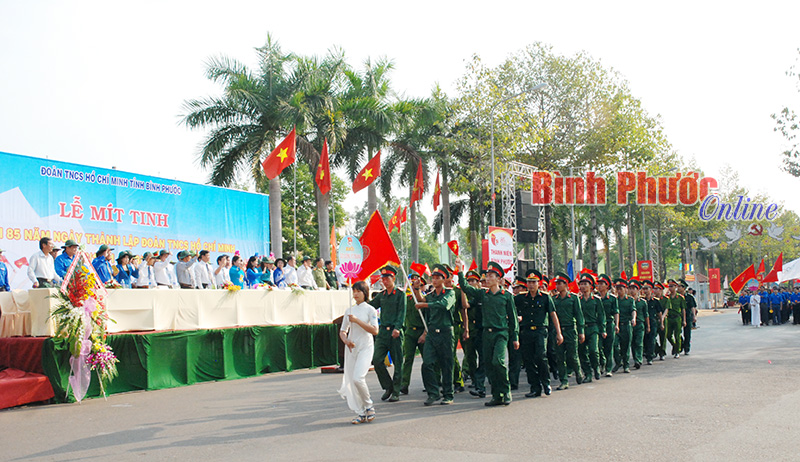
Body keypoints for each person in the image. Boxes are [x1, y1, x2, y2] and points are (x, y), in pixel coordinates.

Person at [457, 259, 519, 406]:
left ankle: (506, 391)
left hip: (501, 333)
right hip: (486, 334)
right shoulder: (482, 294)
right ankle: (497, 396)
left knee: (499, 362)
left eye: (492, 275)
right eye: (487, 275)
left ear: (499, 279)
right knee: (490, 366)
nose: (488, 278)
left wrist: (515, 337)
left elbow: (514, 318)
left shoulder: (507, 296)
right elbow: (465, 287)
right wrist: (460, 271)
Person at [338, 280, 379, 424]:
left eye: (358, 291)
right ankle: (360, 412)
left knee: (358, 378)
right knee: (351, 380)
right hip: (351, 348)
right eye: (354, 291)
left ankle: (369, 405)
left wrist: (357, 321)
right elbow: (343, 331)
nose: (355, 294)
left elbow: (374, 330)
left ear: (365, 293)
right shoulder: (349, 310)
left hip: (366, 347)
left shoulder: (370, 310)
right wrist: (346, 341)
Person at [517, 269, 563, 397]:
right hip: (526, 332)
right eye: (529, 282)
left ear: (538, 283)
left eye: (534, 282)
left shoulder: (545, 297)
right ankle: (534, 387)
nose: (531, 285)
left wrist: (559, 333)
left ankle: (546, 383)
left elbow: (553, 315)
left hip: (540, 331)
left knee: (541, 356)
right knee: (528, 360)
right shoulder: (521, 297)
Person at [416, 264, 456, 406]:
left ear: (444, 279)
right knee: (427, 363)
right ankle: (433, 393)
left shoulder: (450, 293)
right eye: (433, 278)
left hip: (445, 332)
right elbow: (420, 299)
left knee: (447, 364)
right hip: (432, 333)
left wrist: (425, 305)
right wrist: (415, 288)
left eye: (438, 278)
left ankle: (448, 394)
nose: (434, 280)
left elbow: (444, 305)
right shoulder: (430, 295)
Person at [368, 266, 407, 403]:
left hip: (395, 332)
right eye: (383, 279)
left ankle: (396, 391)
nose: (384, 281)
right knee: (377, 360)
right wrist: (359, 301)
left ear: (393, 278)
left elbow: (402, 313)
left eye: (387, 278)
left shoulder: (400, 294)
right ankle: (388, 386)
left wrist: (397, 328)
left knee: (397, 362)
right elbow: (371, 306)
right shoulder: (382, 295)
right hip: (383, 332)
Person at [552, 272, 585, 389]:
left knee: (572, 356)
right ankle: (564, 381)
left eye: (560, 284)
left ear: (566, 285)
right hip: (558, 331)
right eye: (557, 284)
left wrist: (581, 331)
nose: (557, 286)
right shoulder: (554, 299)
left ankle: (578, 371)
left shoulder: (574, 298)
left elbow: (579, 316)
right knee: (560, 357)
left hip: (571, 330)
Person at [400, 271, 427, 395]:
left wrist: (425, 334)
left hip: (422, 332)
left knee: (427, 360)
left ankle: (431, 384)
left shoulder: (425, 298)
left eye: (418, 285)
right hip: (410, 332)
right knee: (408, 359)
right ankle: (404, 384)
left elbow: (428, 317)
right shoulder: (407, 299)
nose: (415, 287)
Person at [462, 270, 485, 397]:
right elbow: (465, 306)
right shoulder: (469, 297)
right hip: (470, 328)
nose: (471, 283)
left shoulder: (482, 295)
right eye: (469, 281)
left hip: (482, 330)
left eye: (473, 281)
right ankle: (476, 381)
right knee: (470, 357)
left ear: (478, 283)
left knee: (484, 358)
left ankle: (482, 383)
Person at [577, 272, 604, 381]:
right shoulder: (578, 300)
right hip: (582, 328)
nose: (583, 286)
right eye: (581, 284)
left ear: (590, 286)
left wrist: (603, 330)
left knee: (593, 350)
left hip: (593, 328)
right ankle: (587, 373)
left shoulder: (596, 300)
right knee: (582, 352)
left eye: (585, 284)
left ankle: (596, 367)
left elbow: (601, 315)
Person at [597, 274, 618, 377]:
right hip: (598, 325)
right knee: (598, 346)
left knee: (609, 348)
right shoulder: (595, 298)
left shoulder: (612, 299)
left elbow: (616, 312)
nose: (599, 286)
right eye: (598, 284)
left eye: (602, 284)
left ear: (607, 286)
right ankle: (602, 363)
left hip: (609, 324)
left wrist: (616, 325)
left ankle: (608, 368)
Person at [613, 278, 635, 374]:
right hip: (616, 326)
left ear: (625, 289)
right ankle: (618, 362)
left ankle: (626, 365)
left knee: (625, 346)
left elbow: (633, 310)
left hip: (626, 325)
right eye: (617, 289)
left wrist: (633, 318)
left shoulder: (630, 300)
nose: (619, 291)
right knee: (614, 345)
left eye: (621, 288)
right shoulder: (614, 300)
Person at [664, 280, 686, 358]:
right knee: (668, 335)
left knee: (677, 335)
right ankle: (674, 346)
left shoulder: (680, 298)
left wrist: (684, 320)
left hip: (677, 318)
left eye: (672, 286)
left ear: (676, 287)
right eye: (669, 286)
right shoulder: (667, 297)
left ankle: (677, 351)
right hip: (669, 318)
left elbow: (683, 309)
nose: (670, 288)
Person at [629, 279, 647, 369]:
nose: (632, 290)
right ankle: (635, 358)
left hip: (640, 324)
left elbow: (646, 315)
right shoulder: (628, 301)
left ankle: (638, 360)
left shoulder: (643, 302)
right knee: (632, 343)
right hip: (630, 325)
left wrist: (648, 326)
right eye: (630, 288)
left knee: (639, 342)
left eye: (634, 288)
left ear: (638, 290)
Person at [679, 279, 697, 355]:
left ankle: (686, 348)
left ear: (684, 288)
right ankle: (681, 344)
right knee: (677, 333)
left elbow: (693, 307)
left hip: (688, 316)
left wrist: (694, 316)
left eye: (680, 287)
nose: (678, 288)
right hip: (678, 317)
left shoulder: (689, 297)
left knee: (687, 333)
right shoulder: (676, 297)